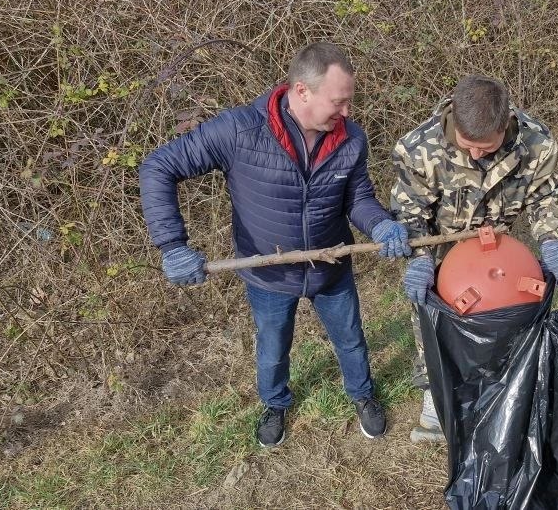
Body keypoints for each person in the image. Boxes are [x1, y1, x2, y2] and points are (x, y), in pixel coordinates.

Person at [139, 42, 411, 448]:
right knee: (272, 349)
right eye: (339, 102)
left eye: (349, 102)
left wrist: (382, 226)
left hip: (331, 268)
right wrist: (172, 244)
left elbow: (358, 199)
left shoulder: (351, 139)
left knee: (351, 339)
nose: (347, 113)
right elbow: (159, 167)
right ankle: (275, 403)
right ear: (302, 91)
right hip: (268, 273)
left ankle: (363, 395)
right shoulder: (239, 131)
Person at [390, 74, 558, 442]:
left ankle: (492, 388)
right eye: (467, 145)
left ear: (505, 125)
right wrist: (420, 256)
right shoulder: (417, 148)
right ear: (455, 119)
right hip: (440, 247)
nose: (475, 155)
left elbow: (544, 197)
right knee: (431, 316)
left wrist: (551, 239)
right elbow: (409, 212)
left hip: (498, 250)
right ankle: (434, 395)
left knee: (497, 314)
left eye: (485, 148)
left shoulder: (536, 143)